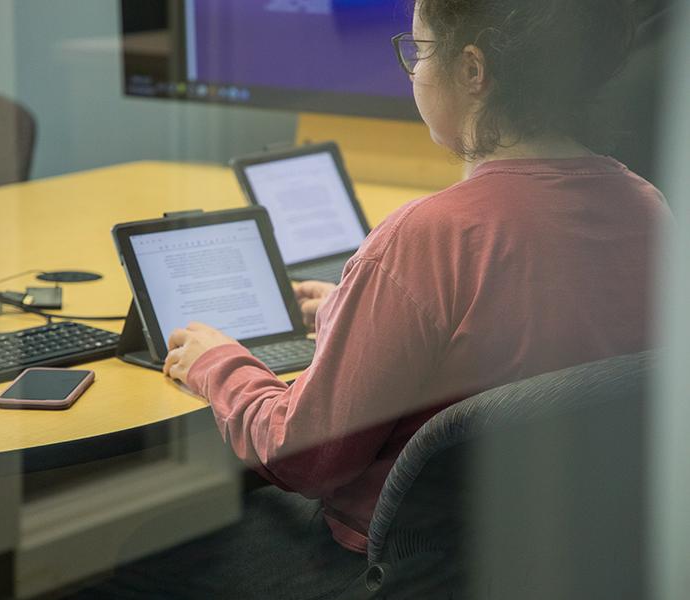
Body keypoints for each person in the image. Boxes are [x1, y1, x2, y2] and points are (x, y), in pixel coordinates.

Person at [87, 0, 669, 597]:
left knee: (126, 564)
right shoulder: (648, 208)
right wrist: (355, 309)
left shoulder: (427, 238)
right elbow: (535, 332)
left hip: (401, 566)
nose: (413, 70)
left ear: (473, 70)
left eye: (419, 52)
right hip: (560, 554)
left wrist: (218, 364)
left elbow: (303, 457)